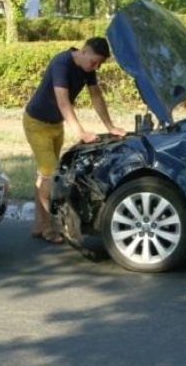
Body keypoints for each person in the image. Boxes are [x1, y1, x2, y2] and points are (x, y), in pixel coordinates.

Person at [23, 37, 126, 243]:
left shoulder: (87, 68)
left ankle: (38, 225)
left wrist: (110, 127)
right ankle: (50, 228)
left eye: (98, 64)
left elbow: (96, 96)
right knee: (51, 175)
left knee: (43, 175)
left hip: (56, 125)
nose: (94, 67)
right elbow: (63, 102)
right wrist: (81, 132)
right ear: (84, 51)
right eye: (94, 62)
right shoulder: (61, 63)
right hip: (36, 124)